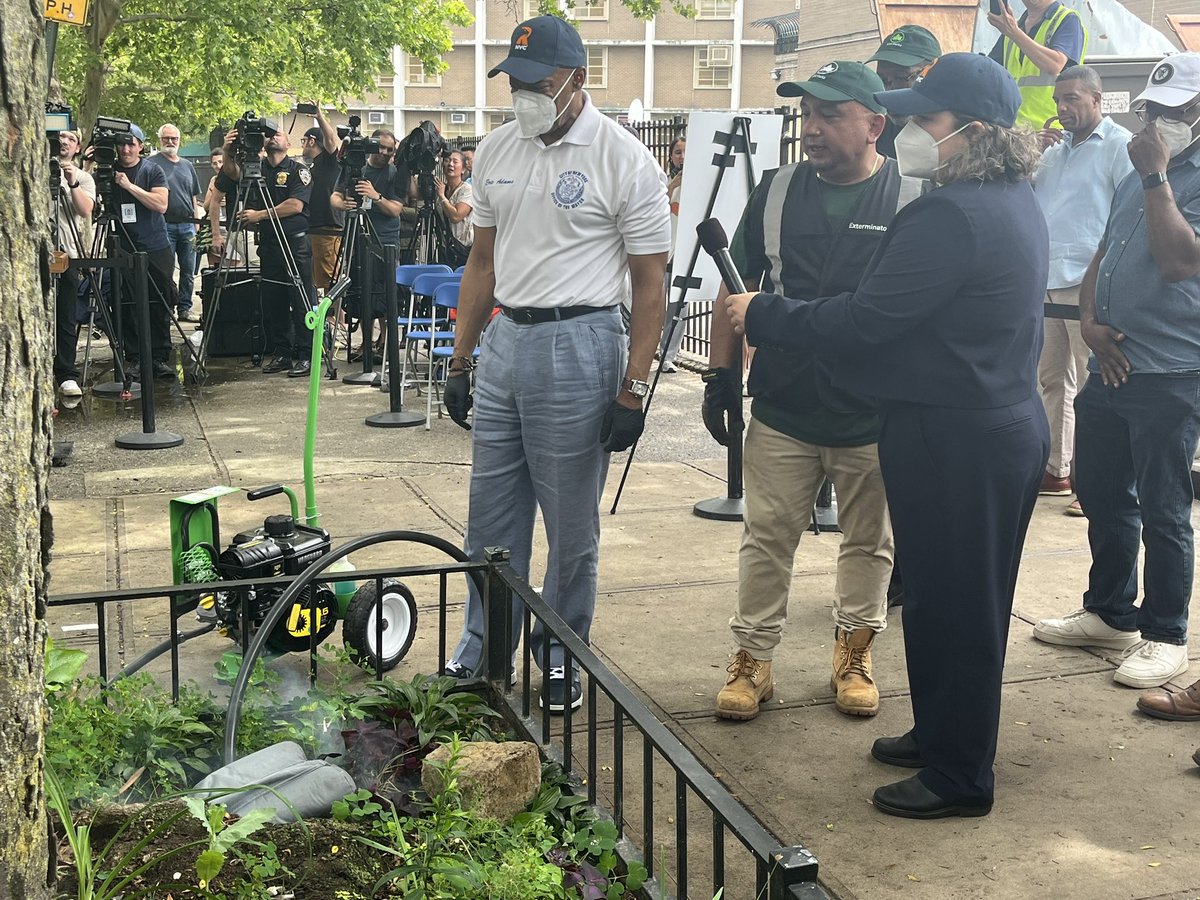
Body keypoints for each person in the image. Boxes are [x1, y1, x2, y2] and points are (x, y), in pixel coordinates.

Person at [724, 53, 1050, 818]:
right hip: (972, 425)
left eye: (925, 120)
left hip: (959, 435)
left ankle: (960, 775)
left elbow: (868, 319)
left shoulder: (950, 213)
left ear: (973, 132)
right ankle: (940, 733)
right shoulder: (1007, 197)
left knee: (963, 607)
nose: (910, 131)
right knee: (938, 597)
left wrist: (765, 316)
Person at [439, 16, 671, 713]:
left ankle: (562, 652)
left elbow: (650, 285)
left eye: (537, 84)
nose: (523, 96)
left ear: (577, 78)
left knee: (571, 523)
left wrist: (633, 389)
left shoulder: (624, 159)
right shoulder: (498, 149)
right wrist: (459, 356)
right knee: (491, 515)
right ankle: (485, 646)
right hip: (509, 339)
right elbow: (482, 261)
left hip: (582, 341)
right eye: (513, 83)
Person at [707, 61, 920, 723]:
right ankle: (753, 661)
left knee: (869, 543)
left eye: (830, 114)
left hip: (871, 412)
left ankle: (854, 656)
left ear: (874, 124)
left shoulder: (913, 197)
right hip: (784, 406)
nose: (813, 128)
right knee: (766, 537)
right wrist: (720, 374)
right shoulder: (774, 192)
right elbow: (733, 289)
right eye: (807, 114)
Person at [1034, 53, 1200, 691]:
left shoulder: (1158, 172)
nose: (1162, 122)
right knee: (1102, 492)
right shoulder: (1136, 173)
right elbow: (1107, 248)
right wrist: (1092, 321)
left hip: (1169, 367)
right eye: (1155, 110)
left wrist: (1158, 178)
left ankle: (1166, 633)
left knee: (1164, 507)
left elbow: (1182, 259)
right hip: (1111, 359)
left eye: (1179, 110)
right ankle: (1110, 610)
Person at [1032, 66, 1133, 514]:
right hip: (1046, 280)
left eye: (1072, 98)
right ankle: (1058, 470)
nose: (1063, 108)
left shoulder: (1119, 147)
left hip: (1088, 283)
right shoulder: (1052, 152)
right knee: (1052, 380)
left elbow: (1131, 214)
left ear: (1096, 98)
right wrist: (1032, 153)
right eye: (1058, 100)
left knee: (1094, 388)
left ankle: (1093, 485)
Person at [217, 123, 316, 376]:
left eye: (277, 135)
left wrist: (259, 214)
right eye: (268, 136)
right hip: (269, 243)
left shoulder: (297, 170)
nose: (272, 138)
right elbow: (232, 175)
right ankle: (282, 352)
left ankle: (306, 354)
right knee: (274, 299)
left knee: (301, 297)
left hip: (294, 243)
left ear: (288, 143)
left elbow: (294, 205)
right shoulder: (257, 169)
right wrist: (228, 152)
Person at [111, 123, 178, 379]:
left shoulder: (152, 170)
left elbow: (161, 204)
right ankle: (135, 357)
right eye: (122, 144)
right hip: (123, 246)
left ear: (140, 145)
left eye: (132, 144)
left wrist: (129, 186)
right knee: (128, 302)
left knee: (159, 300)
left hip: (155, 245)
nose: (126, 149)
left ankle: (160, 357)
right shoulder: (109, 169)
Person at [331, 129, 404, 354]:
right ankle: (366, 341)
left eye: (389, 149)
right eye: (380, 147)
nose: (384, 152)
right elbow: (335, 195)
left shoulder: (395, 173)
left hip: (385, 241)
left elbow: (396, 209)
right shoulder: (356, 167)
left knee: (383, 292)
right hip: (358, 236)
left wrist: (376, 196)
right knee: (362, 289)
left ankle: (385, 341)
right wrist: (341, 204)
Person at [988, 0, 1086, 132]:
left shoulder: (1068, 19)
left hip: (1051, 132)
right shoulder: (1014, 26)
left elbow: (1055, 64)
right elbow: (990, 71)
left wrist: (1014, 33)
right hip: (1017, 132)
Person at [52, 129, 96, 400]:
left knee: (65, 317)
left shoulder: (83, 177)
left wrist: (72, 183)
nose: (64, 142)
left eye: (70, 139)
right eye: (60, 137)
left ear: (78, 147)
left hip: (65, 254)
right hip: (34, 255)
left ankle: (66, 373)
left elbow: (85, 210)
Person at [147, 124, 203, 321]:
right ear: (159, 139)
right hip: (163, 225)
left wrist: (196, 223)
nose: (170, 142)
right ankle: (167, 308)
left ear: (179, 141)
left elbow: (193, 196)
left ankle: (185, 308)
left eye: (174, 138)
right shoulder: (151, 164)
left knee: (189, 270)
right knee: (165, 270)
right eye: (166, 138)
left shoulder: (188, 166)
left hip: (188, 225)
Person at [868, 25, 942, 158]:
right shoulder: (875, 134)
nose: (889, 89)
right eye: (883, 80)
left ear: (933, 70)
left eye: (901, 77)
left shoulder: (960, 129)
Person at [300, 106, 344, 295]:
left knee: (330, 280)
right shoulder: (314, 166)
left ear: (311, 141)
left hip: (327, 228)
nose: (302, 145)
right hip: (315, 228)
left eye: (303, 141)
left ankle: (337, 321)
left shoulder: (329, 160)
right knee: (318, 280)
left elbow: (332, 140)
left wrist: (319, 118)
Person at [658, 135, 687, 372]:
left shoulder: (699, 184)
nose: (682, 157)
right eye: (677, 152)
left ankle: (668, 354)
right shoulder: (662, 180)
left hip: (684, 253)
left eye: (686, 151)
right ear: (671, 156)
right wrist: (672, 186)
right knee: (654, 303)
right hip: (661, 252)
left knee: (678, 308)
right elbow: (654, 207)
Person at [435, 149, 473, 258]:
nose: (450, 164)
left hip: (464, 250)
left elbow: (456, 216)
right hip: (445, 249)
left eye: (455, 162)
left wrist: (442, 197)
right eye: (447, 160)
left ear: (463, 169)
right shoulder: (441, 188)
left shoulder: (467, 190)